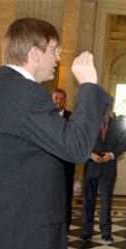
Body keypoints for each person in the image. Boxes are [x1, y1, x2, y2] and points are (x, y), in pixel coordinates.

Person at [0, 18, 111, 249]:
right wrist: (90, 86)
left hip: (1, 241)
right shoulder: (26, 95)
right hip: (18, 247)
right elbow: (76, 147)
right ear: (34, 53)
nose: (58, 58)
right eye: (55, 50)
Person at [81, 110, 126, 243]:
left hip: (108, 166)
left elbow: (123, 144)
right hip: (91, 165)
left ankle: (106, 232)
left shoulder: (117, 124)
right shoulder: (90, 124)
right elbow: (82, 142)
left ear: (109, 110)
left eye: (106, 107)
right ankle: (87, 231)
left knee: (106, 201)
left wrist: (112, 155)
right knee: (88, 199)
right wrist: (90, 154)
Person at [52, 88, 75, 232]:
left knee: (66, 198)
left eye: (61, 98)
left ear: (65, 101)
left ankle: (64, 230)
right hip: (47, 165)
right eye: (55, 98)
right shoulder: (44, 116)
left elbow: (74, 140)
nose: (58, 101)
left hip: (66, 165)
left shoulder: (72, 118)